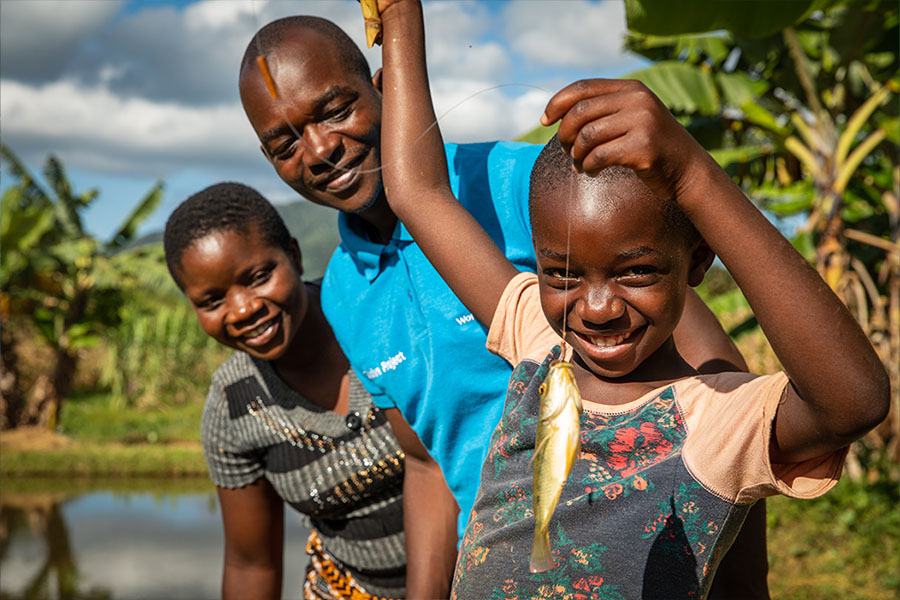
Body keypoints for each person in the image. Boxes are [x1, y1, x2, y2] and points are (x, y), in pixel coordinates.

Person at [238, 11, 766, 597]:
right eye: (284, 143)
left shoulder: (525, 185)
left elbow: (714, 368)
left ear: (386, 87)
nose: (319, 149)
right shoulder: (341, 292)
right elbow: (427, 464)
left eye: (337, 110)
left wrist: (736, 577)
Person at [375, 1, 890, 598]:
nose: (596, 308)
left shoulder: (713, 420)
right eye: (562, 276)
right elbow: (418, 191)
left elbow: (853, 402)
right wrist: (400, 18)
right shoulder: (536, 340)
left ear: (696, 262)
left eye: (636, 272)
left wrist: (692, 175)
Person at [163, 182, 416, 600]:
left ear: (294, 257)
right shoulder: (234, 409)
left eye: (259, 277)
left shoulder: (380, 319)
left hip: (477, 572)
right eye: (211, 301)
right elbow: (250, 564)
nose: (243, 309)